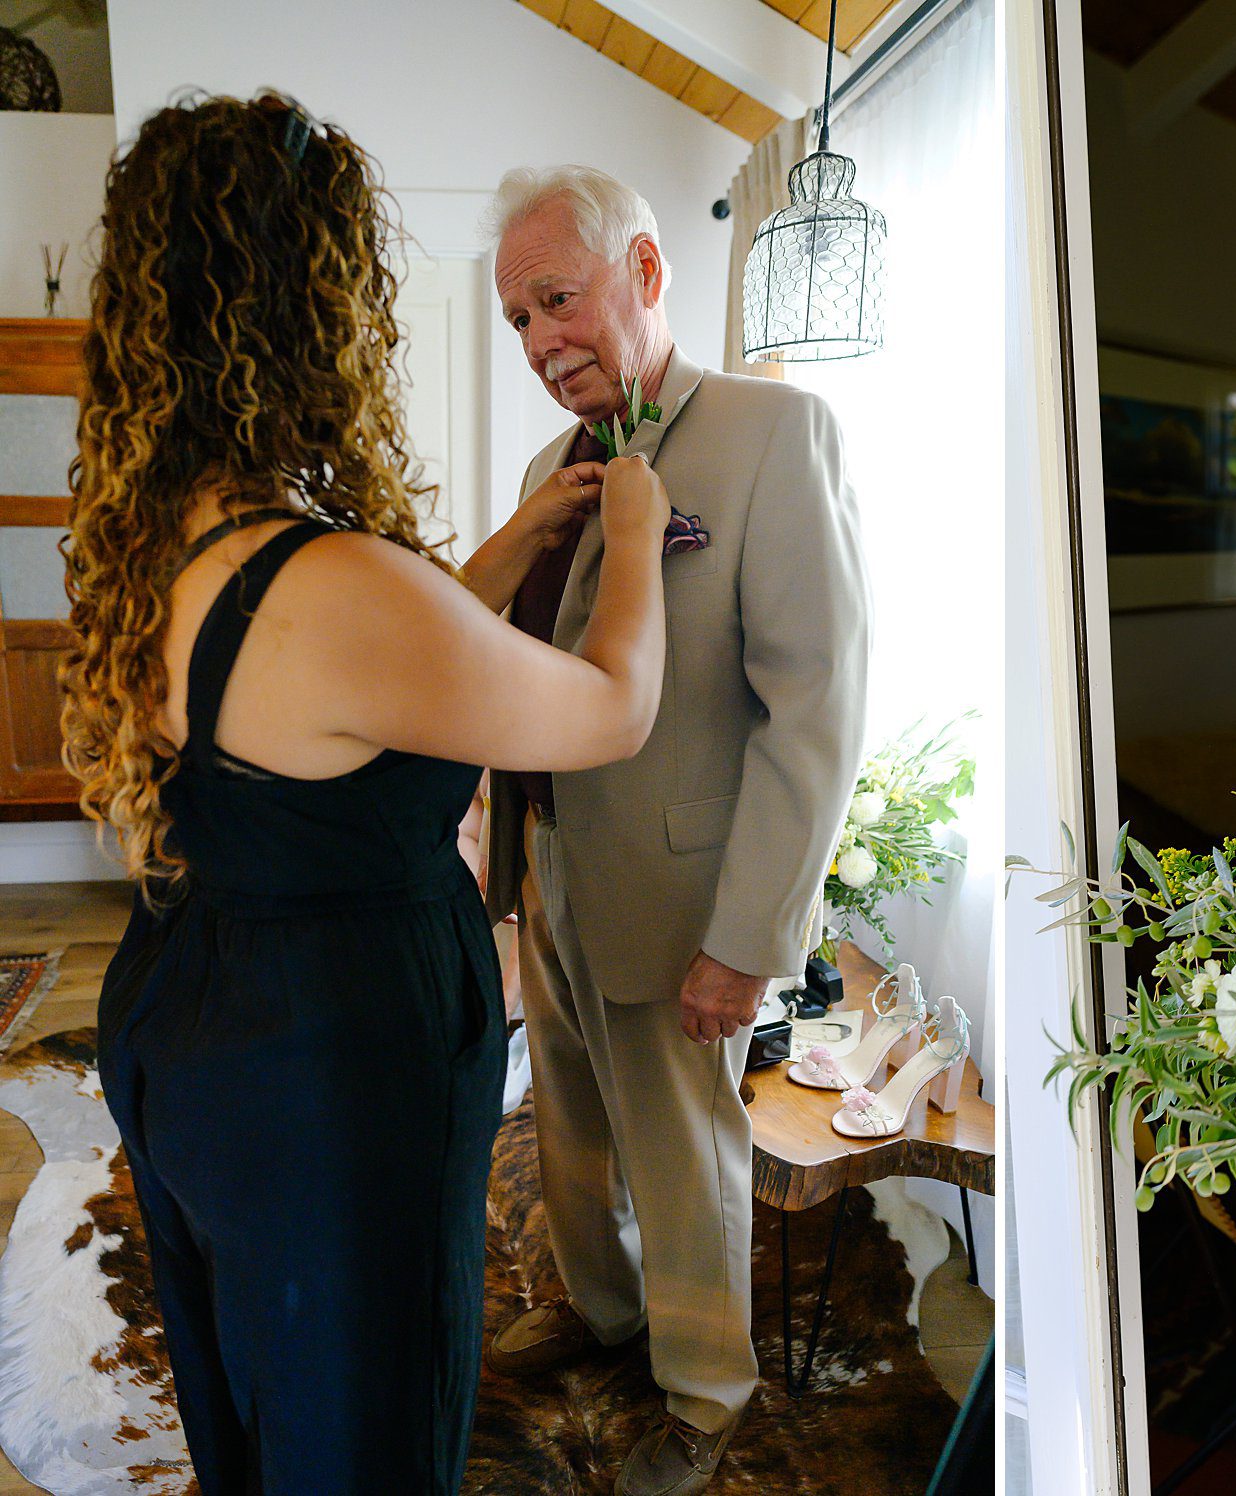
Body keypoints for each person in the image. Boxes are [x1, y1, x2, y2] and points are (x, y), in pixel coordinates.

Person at [68, 93, 675, 1494]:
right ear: (313, 302)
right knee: (366, 1415)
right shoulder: (335, 583)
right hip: (325, 1069)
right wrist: (632, 533)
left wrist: (510, 542)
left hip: (187, 1010)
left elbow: (332, 702)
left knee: (251, 1380)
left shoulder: (173, 537)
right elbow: (609, 707)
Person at [478, 165, 869, 1496]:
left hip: (692, 890)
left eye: (556, 300)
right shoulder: (547, 467)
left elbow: (815, 708)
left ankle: (706, 1390)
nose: (537, 342)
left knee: (686, 1152)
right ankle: (600, 1313)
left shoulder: (776, 433)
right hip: (552, 874)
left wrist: (750, 936)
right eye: (517, 318)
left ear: (645, 274)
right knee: (572, 1130)